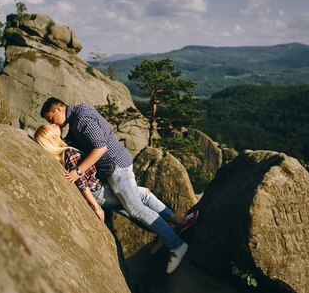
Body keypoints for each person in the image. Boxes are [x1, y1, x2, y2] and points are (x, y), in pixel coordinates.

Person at [40, 97, 196, 274]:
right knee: (140, 198)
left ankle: (176, 245)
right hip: (112, 169)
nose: (54, 124)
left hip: (115, 167)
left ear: (59, 109)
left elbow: (100, 148)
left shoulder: (81, 119)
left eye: (51, 119)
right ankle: (176, 224)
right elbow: (71, 141)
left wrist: (78, 172)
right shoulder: (77, 116)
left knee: (135, 209)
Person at [33, 123, 196, 237]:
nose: (54, 125)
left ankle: (169, 230)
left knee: (134, 208)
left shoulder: (64, 151)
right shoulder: (69, 153)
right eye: (51, 127)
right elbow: (81, 183)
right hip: (99, 192)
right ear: (52, 138)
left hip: (101, 189)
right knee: (144, 196)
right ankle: (176, 231)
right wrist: (96, 207)